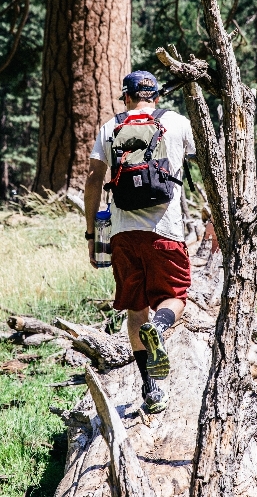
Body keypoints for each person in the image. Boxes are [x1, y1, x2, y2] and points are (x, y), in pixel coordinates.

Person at [84, 70, 195, 414]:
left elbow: (92, 182)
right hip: (166, 230)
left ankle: (150, 389)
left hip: (122, 234)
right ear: (156, 97)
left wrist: (91, 234)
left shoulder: (109, 127)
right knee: (175, 297)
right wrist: (212, 219)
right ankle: (160, 328)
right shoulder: (176, 123)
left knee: (136, 308)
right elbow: (206, 165)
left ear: (127, 97)